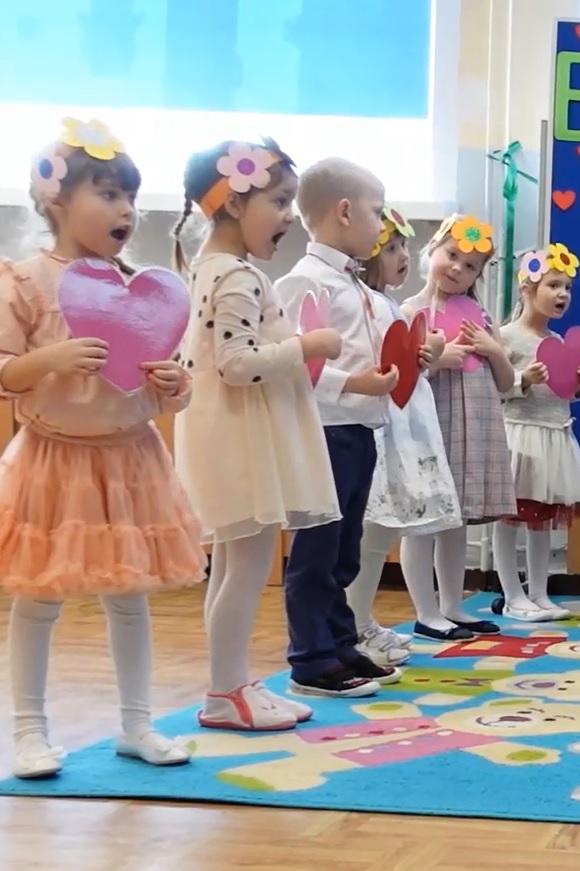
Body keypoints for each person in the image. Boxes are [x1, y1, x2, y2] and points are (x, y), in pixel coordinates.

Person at [1, 119, 205, 776]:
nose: (126, 210)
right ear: (55, 199)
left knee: (129, 596)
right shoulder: (24, 281)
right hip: (52, 462)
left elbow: (171, 388)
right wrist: (50, 358)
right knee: (39, 598)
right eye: (109, 194)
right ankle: (29, 731)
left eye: (130, 197)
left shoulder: (140, 288)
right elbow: (4, 373)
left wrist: (174, 384)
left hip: (130, 460)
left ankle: (136, 725)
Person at [171, 138, 342, 730]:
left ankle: (233, 682)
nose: (289, 216)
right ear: (234, 203)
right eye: (279, 201)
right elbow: (237, 364)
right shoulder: (237, 276)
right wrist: (308, 345)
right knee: (244, 569)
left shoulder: (209, 269)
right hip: (241, 438)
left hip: (229, 434)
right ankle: (225, 692)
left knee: (232, 568)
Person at [271, 157, 402, 698]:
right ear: (344, 212)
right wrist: (355, 383)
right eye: (377, 212)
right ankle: (310, 659)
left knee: (345, 550)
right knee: (317, 551)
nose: (381, 224)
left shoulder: (358, 286)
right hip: (325, 431)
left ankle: (340, 642)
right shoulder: (305, 280)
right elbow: (294, 362)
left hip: (359, 431)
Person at [347, 206, 458, 663]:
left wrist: (425, 355)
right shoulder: (362, 304)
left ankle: (361, 620)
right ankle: (352, 625)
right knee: (367, 532)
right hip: (379, 429)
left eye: (404, 247)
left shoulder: (389, 305)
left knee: (380, 534)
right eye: (391, 248)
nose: (403, 256)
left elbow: (403, 370)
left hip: (403, 430)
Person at [399, 215, 519, 638]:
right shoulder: (410, 312)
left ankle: (452, 606)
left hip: (474, 430)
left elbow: (506, 384)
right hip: (431, 431)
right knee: (424, 522)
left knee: (456, 522)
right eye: (452, 255)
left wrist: (493, 350)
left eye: (470, 266)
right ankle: (426, 611)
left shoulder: (480, 316)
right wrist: (437, 360)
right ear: (433, 249)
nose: (457, 268)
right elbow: (402, 381)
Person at [490, 243, 580, 622]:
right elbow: (494, 389)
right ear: (527, 288)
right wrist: (524, 379)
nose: (563, 294)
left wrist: (579, 385)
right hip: (519, 435)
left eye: (567, 287)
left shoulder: (560, 342)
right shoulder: (505, 337)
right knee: (508, 519)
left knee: (542, 520)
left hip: (554, 434)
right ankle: (512, 595)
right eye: (553, 285)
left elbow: (562, 394)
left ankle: (539, 592)